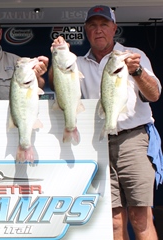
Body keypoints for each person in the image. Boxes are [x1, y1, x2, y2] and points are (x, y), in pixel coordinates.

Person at [49, 5, 162, 240]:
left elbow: (154, 95)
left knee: (141, 217)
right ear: (86, 31)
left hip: (134, 140)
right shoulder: (76, 62)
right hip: (97, 144)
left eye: (103, 25)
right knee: (112, 221)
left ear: (114, 28)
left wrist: (138, 71)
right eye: (92, 25)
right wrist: (58, 54)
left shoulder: (132, 55)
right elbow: (57, 84)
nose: (98, 30)